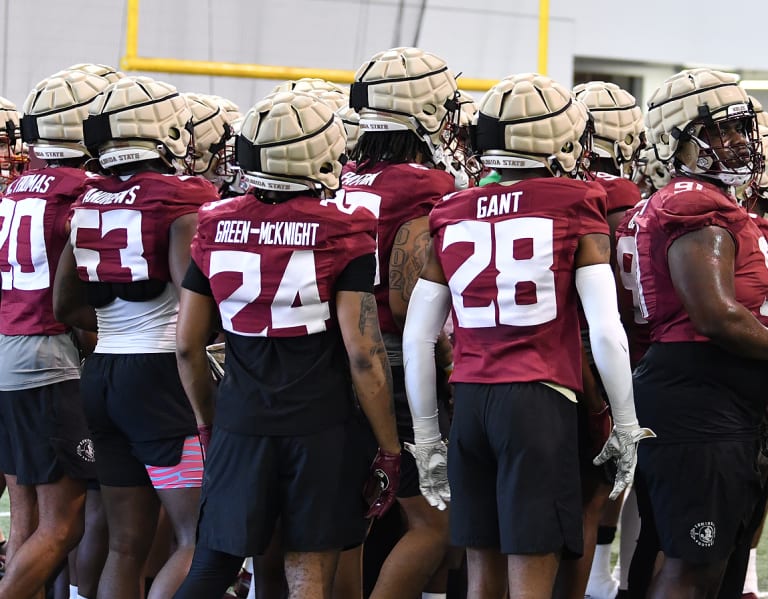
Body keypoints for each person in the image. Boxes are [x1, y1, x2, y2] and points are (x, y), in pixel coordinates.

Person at [401, 72, 653, 599]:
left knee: (481, 582)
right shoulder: (574, 201)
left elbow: (418, 337)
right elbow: (606, 331)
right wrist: (626, 424)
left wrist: (427, 437)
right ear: (559, 139)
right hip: (537, 405)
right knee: (532, 582)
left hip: (470, 403)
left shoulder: (451, 210)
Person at [172, 90, 401, 599]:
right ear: (322, 156)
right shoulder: (344, 228)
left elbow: (187, 345)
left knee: (212, 566)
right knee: (307, 575)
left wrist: (211, 422)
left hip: (241, 417)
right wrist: (388, 444)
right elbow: (363, 352)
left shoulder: (214, 222)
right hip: (317, 424)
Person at [53, 75, 218, 599]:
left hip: (102, 372)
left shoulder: (90, 201)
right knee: (200, 535)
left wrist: (119, 334)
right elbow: (189, 303)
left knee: (126, 545)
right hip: (160, 376)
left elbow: (65, 305)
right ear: (165, 130)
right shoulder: (182, 201)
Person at [632, 67, 768, 597]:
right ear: (675, 141)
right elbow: (717, 317)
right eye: (715, 132)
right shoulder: (693, 204)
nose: (734, 142)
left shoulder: (711, 201)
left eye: (738, 128)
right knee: (694, 562)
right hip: (698, 398)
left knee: (712, 557)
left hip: (713, 399)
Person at [344, 46, 464, 599]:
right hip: (393, 364)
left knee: (352, 521)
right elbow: (404, 304)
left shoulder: (344, 175)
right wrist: (445, 365)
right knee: (435, 525)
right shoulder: (425, 185)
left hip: (334, 359)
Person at [0, 67, 110, 599]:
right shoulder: (83, 190)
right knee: (63, 523)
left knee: (26, 511)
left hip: (9, 343)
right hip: (45, 352)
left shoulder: (19, 185)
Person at [565, 80, 645, 599]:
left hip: (545, 355)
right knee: (612, 485)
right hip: (617, 353)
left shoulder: (555, 190)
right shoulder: (625, 198)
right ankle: (601, 582)